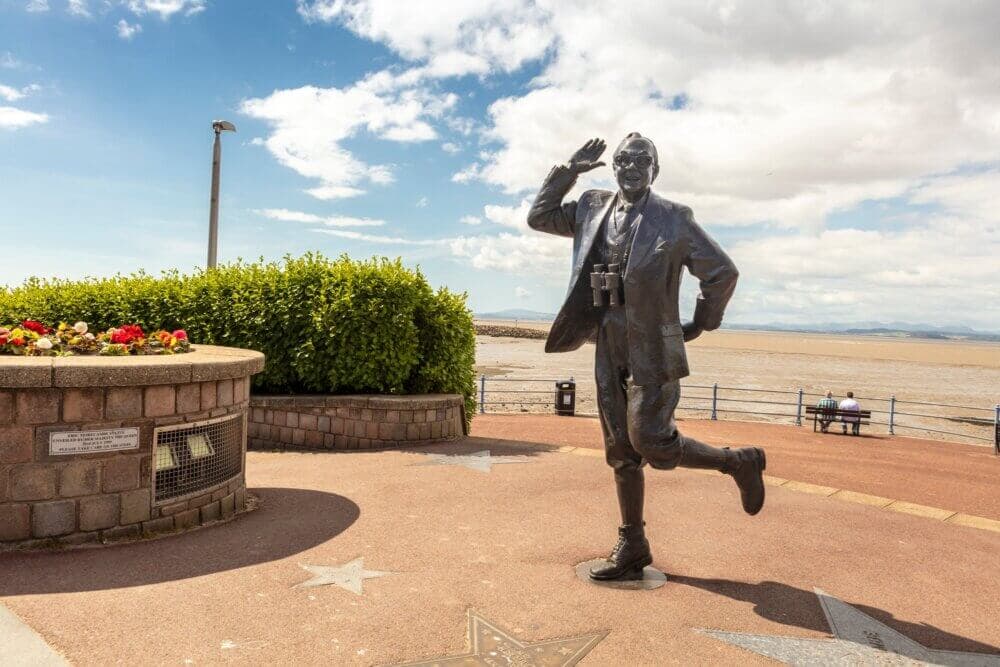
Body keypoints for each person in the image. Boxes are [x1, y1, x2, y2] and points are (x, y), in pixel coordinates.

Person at [527, 134, 766, 581]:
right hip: (606, 339)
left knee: (651, 440)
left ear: (656, 169)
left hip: (652, 345)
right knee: (620, 450)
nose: (630, 167)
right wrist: (569, 171)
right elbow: (539, 217)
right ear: (612, 167)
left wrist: (699, 323)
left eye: (641, 160)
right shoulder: (591, 206)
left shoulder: (674, 219)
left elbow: (722, 272)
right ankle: (632, 544)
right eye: (622, 160)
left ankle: (737, 462)